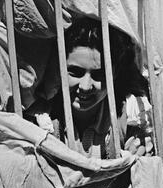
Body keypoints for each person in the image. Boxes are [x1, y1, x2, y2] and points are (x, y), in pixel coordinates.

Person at [35, 17, 154, 159]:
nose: (85, 86)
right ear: (58, 69)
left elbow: (143, 144)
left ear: (114, 74)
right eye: (75, 72)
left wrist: (141, 149)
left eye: (99, 75)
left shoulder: (127, 114)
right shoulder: (41, 118)